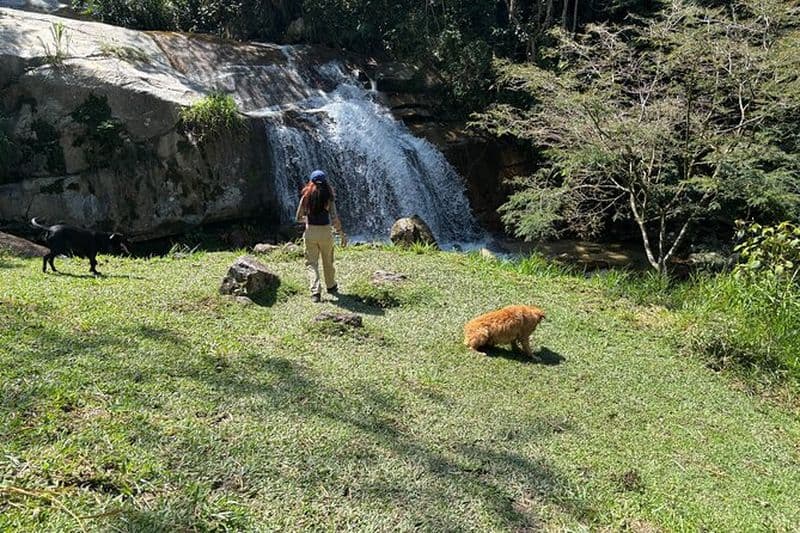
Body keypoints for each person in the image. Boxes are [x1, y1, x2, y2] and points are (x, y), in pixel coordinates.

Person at [295, 170, 347, 302]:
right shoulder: (329, 198)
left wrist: (308, 221)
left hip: (310, 232)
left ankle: (315, 292)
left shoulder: (306, 197)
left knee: (312, 263)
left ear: (311, 182)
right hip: (325, 232)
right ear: (325, 183)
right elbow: (334, 219)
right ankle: (331, 286)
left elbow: (298, 217)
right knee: (328, 260)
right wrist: (341, 234)